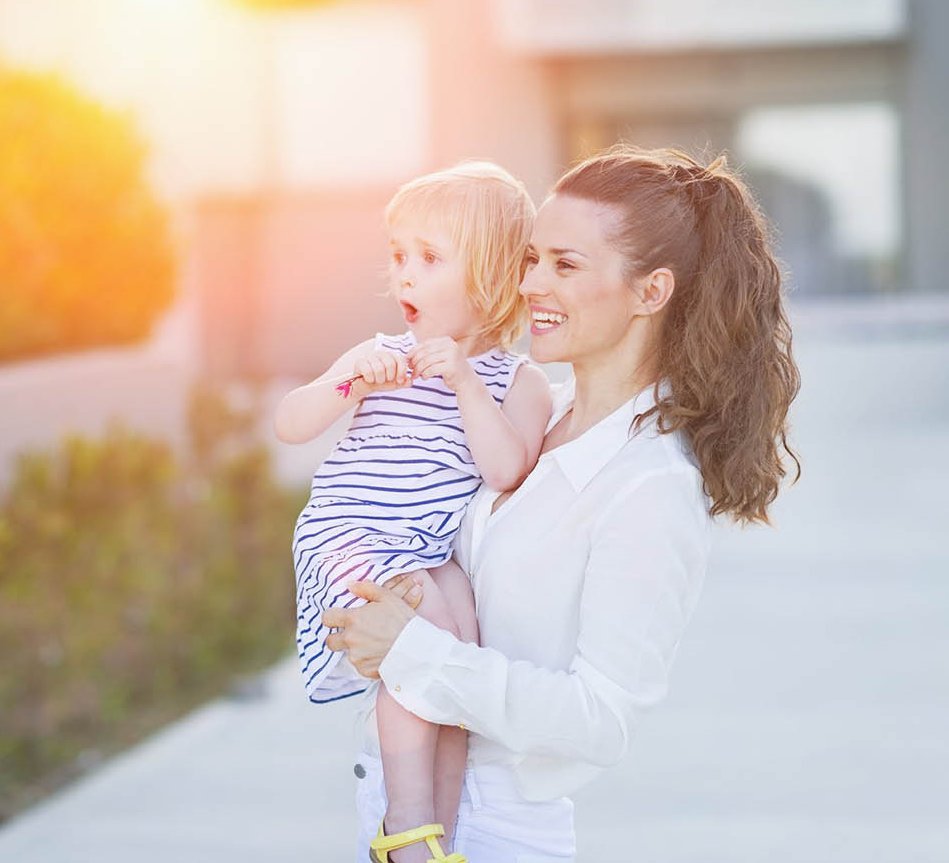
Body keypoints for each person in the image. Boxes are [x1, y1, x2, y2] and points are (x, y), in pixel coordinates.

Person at [323, 147, 801, 862]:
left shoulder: (651, 485)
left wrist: (413, 650)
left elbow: (600, 718)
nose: (531, 283)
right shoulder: (535, 416)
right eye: (531, 258)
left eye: (565, 265)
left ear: (651, 291)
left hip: (491, 831)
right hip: (403, 810)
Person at [274, 161, 553, 863]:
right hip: (353, 538)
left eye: (429, 258)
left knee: (461, 656)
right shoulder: (381, 354)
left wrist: (462, 379)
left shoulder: (516, 381)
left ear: (489, 275)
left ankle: (442, 834)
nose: (404, 275)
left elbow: (507, 466)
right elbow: (291, 422)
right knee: (418, 639)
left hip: (426, 549)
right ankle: (405, 828)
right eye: (399, 255)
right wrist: (348, 381)